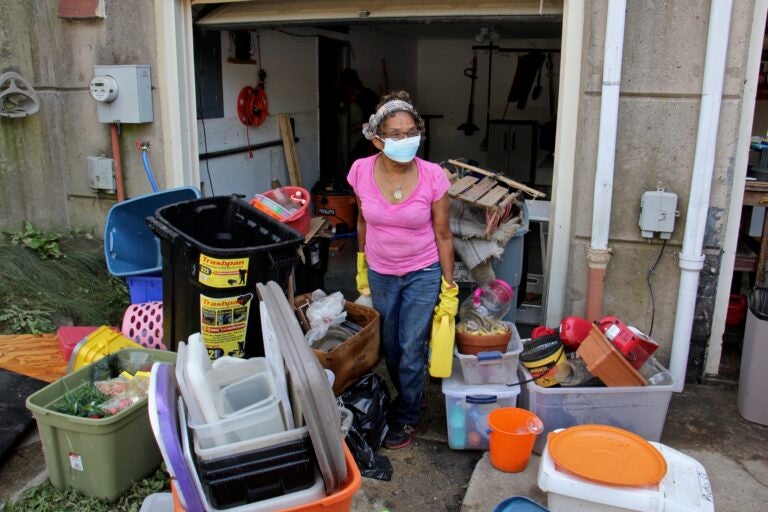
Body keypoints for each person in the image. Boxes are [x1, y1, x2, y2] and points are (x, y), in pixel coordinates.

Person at [347, 91, 458, 449]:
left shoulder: (433, 176)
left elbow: (443, 234)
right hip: (380, 271)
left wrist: (449, 285)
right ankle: (412, 393)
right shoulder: (360, 171)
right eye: (395, 133)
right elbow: (362, 220)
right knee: (390, 346)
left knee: (411, 345)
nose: (405, 139)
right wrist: (362, 263)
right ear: (376, 138)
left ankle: (408, 414)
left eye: (411, 131)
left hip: (422, 271)